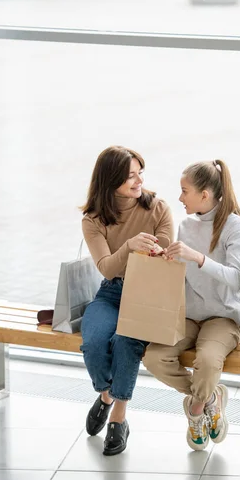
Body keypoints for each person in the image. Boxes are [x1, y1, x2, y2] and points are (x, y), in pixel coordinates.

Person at [143, 159, 240, 451]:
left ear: (205, 194)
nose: (179, 197)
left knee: (208, 361)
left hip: (223, 318)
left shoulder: (235, 227)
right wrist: (166, 256)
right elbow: (183, 269)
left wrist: (198, 258)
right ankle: (211, 399)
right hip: (188, 314)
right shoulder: (187, 226)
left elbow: (237, 280)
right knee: (153, 358)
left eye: (184, 190)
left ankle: (197, 409)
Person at [80, 145, 173, 456]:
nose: (139, 181)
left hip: (147, 295)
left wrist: (159, 252)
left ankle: (118, 416)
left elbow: (168, 259)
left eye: (140, 173)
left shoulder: (158, 207)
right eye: (130, 176)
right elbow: (106, 267)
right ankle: (106, 396)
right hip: (111, 291)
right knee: (93, 341)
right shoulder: (93, 219)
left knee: (125, 341)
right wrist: (131, 246)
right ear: (110, 181)